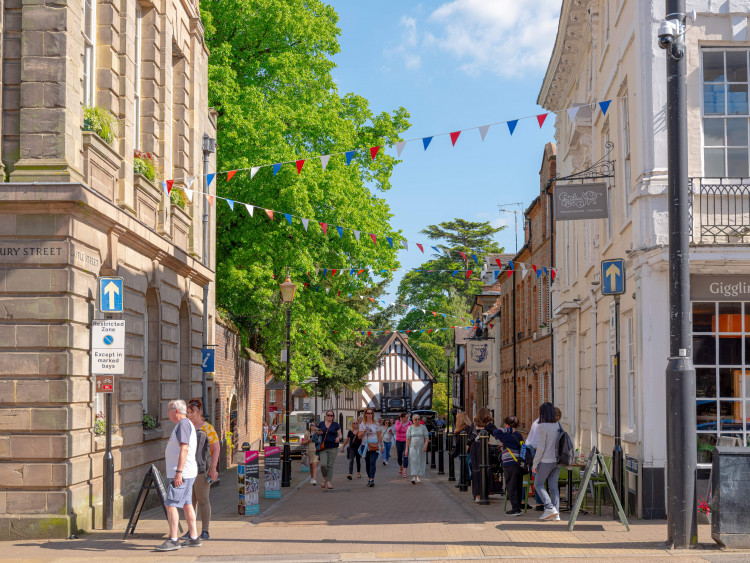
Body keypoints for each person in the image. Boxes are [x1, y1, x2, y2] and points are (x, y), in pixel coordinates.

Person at [156, 400, 201, 551]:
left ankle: (174, 539)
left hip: (183, 473)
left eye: (169, 410)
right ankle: (193, 537)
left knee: (171, 504)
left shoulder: (183, 424)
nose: (167, 413)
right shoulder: (184, 424)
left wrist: (179, 472)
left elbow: (184, 449)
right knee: (187, 504)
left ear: (175, 411)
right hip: (185, 472)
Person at [185, 399, 220, 540]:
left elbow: (216, 449)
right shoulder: (186, 427)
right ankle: (191, 530)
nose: (189, 415)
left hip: (202, 469)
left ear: (199, 412)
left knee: (203, 499)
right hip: (188, 469)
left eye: (192, 412)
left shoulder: (207, 428)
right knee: (189, 501)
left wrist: (213, 468)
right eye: (187, 412)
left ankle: (205, 531)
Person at [486, 415, 525, 515]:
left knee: (510, 486)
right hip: (519, 463)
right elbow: (522, 446)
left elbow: (495, 432)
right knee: (518, 485)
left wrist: (508, 430)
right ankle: (519, 506)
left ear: (507, 425)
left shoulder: (506, 435)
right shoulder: (519, 435)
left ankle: (515, 509)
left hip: (509, 463)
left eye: (505, 424)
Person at [532, 402, 563, 521]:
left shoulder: (542, 426)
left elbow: (541, 448)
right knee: (553, 486)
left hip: (546, 460)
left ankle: (550, 508)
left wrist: (535, 464)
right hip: (558, 460)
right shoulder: (558, 425)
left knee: (538, 484)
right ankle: (556, 513)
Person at [468, 407, 493, 502]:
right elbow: (497, 433)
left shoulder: (473, 425)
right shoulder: (489, 425)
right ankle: (484, 493)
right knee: (485, 469)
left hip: (474, 448)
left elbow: (469, 438)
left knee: (476, 470)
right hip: (483, 448)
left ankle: (477, 494)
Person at [317, 410, 342, 490]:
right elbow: (316, 433)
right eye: (328, 415)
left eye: (331, 415)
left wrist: (338, 438)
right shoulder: (321, 424)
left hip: (333, 447)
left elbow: (340, 435)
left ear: (333, 417)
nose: (330, 417)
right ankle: (324, 477)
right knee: (323, 464)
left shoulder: (336, 425)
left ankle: (328, 482)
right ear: (326, 415)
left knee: (330, 465)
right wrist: (318, 433)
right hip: (323, 447)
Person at [358, 408, 383, 487]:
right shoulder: (362, 424)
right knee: (368, 463)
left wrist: (381, 445)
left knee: (372, 462)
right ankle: (369, 478)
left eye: (371, 413)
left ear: (373, 414)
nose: (369, 415)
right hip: (365, 446)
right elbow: (359, 436)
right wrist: (364, 431)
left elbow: (379, 435)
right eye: (368, 413)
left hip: (374, 445)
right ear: (365, 414)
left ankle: (372, 479)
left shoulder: (376, 424)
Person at [404, 413, 429, 483]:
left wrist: (425, 445)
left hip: (421, 446)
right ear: (413, 420)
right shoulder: (410, 428)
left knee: (420, 461)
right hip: (412, 447)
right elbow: (408, 439)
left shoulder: (423, 427)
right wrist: (406, 449)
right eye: (416, 419)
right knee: (413, 461)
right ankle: (414, 476)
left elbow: (426, 437)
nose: (417, 420)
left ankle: (419, 476)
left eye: (418, 419)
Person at [452, 412, 472, 488]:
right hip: (465, 449)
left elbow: (458, 441)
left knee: (463, 465)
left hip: (464, 449)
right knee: (465, 465)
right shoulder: (468, 427)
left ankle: (462, 481)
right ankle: (467, 480)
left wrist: (456, 433)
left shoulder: (464, 428)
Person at [394, 412, 412, 477]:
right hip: (399, 441)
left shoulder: (409, 422)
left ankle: (405, 471)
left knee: (405, 455)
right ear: (402, 417)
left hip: (406, 441)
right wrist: (401, 423)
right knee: (399, 457)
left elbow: (411, 431)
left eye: (408, 417)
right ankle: (400, 466)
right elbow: (396, 429)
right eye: (406, 417)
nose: (408, 418)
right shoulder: (397, 422)